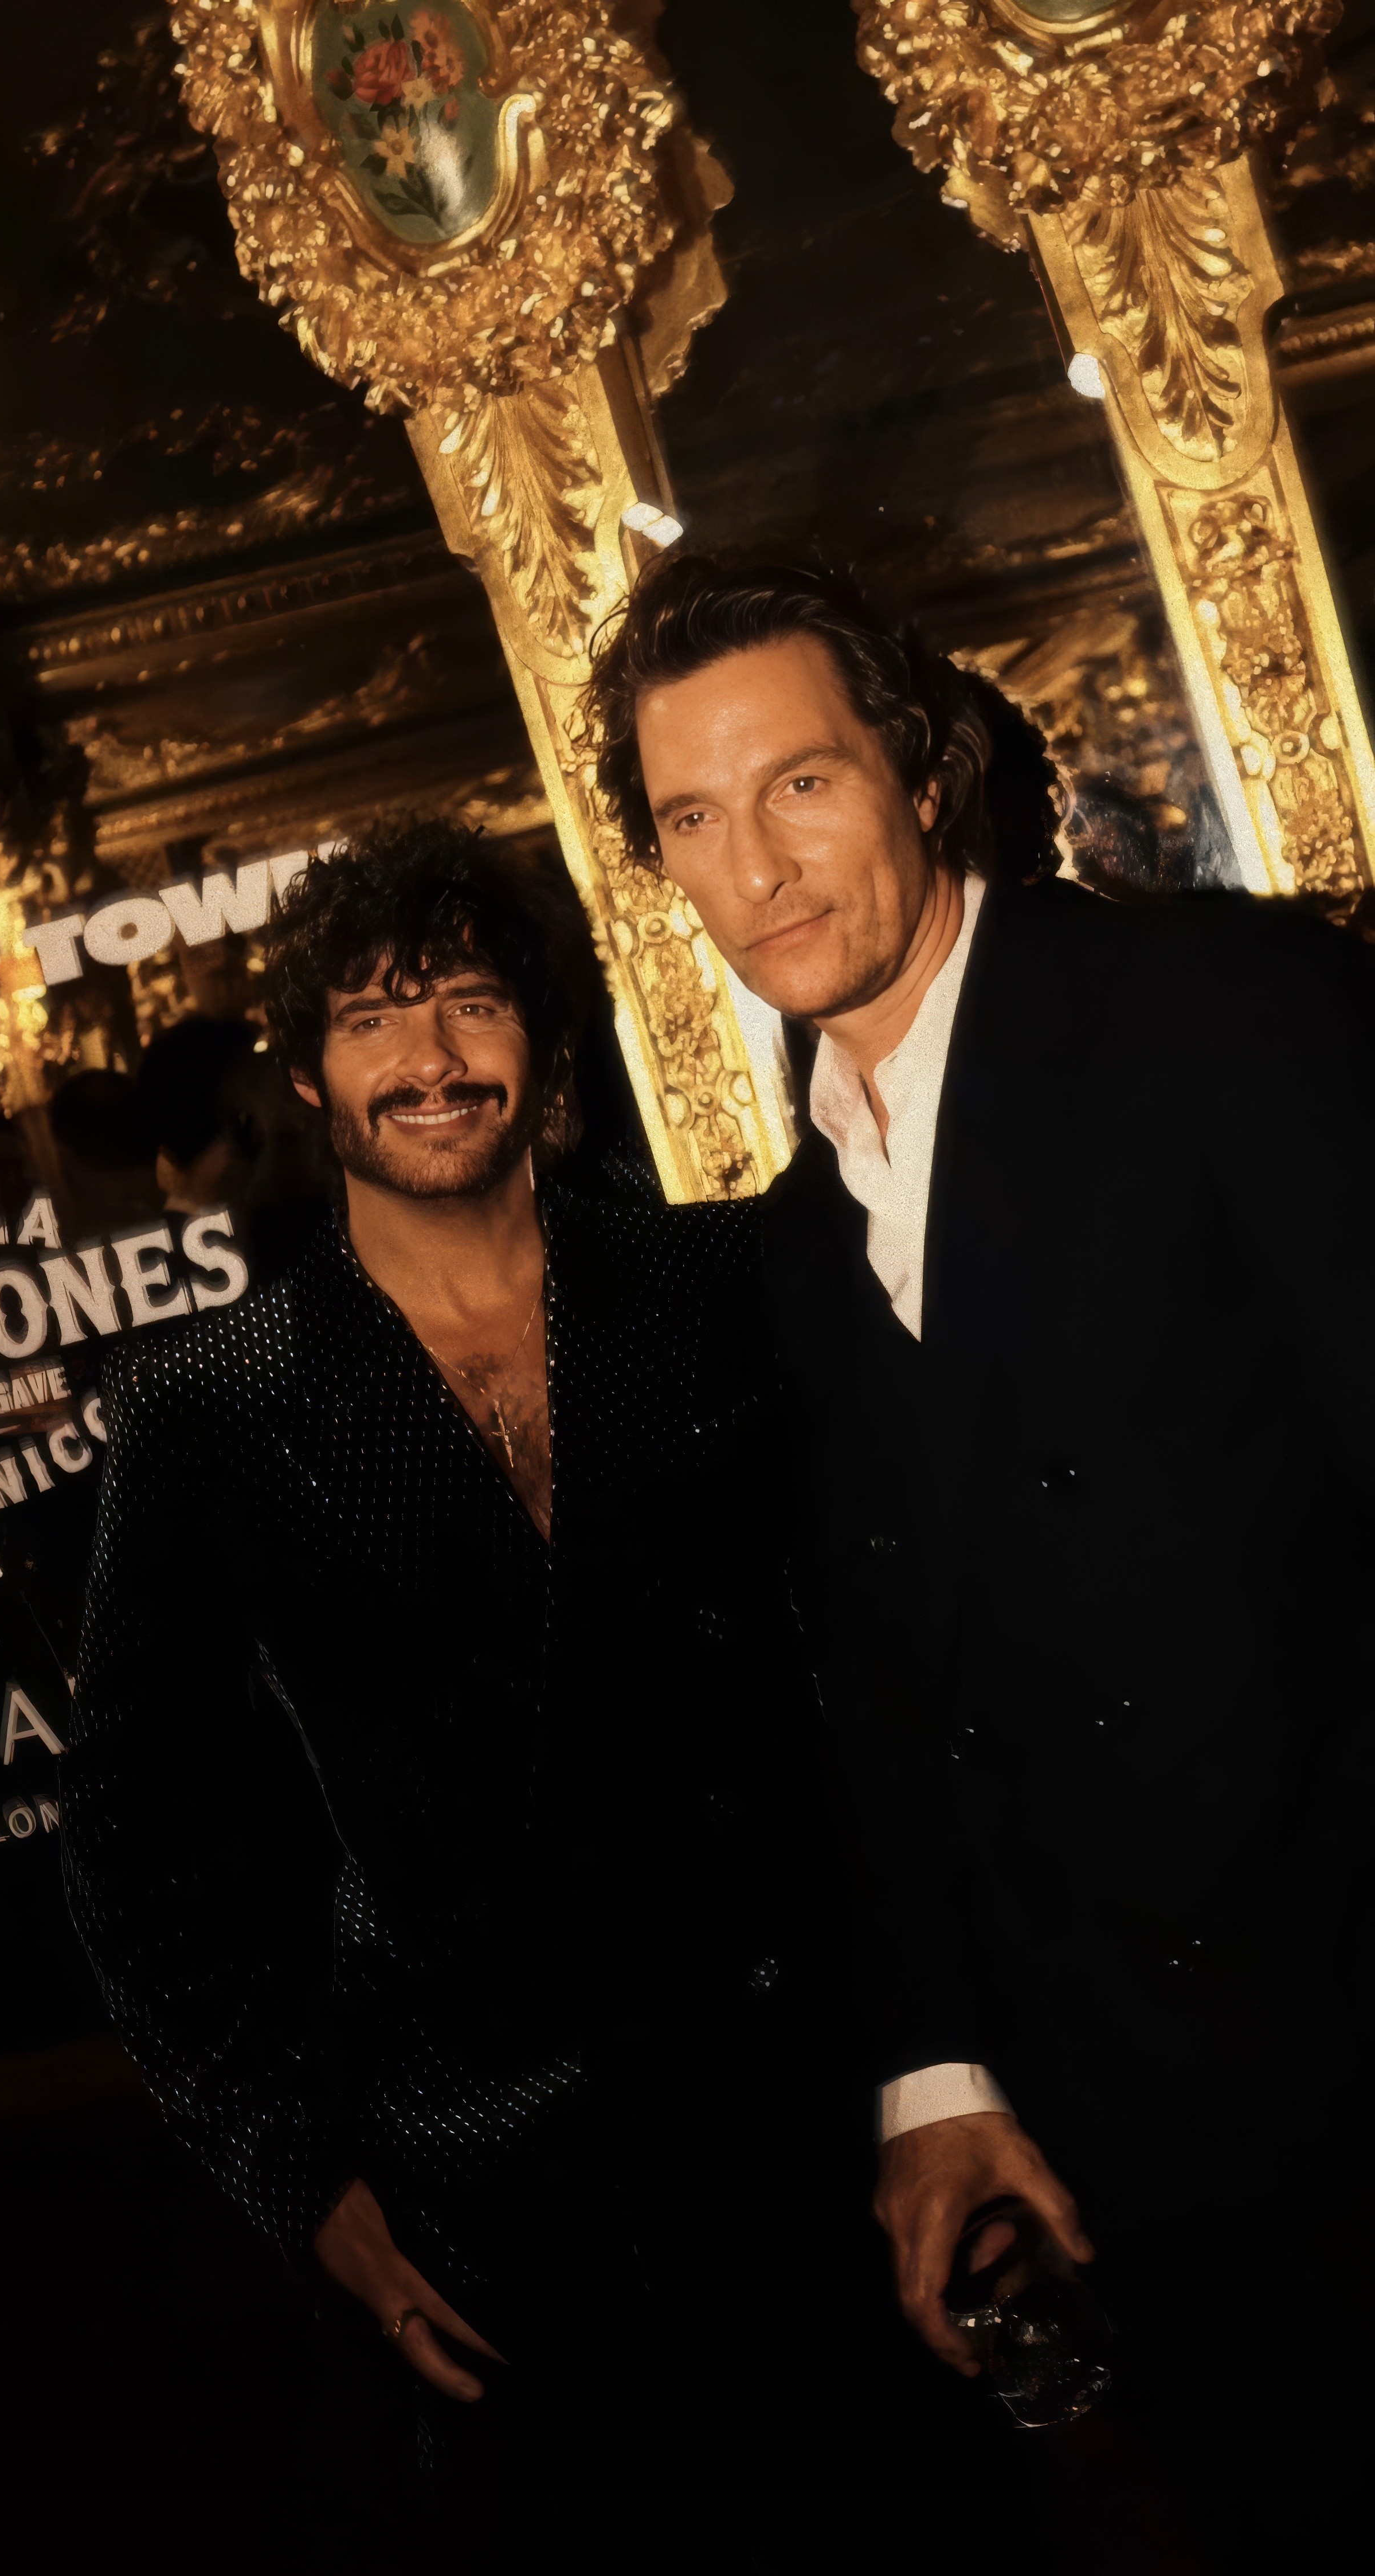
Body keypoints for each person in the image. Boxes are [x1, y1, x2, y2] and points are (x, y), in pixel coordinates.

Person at [585, 552, 1375, 2566]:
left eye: (799, 786)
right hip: (1132, 2150)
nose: (752, 868)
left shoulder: (1216, 1008)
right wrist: (934, 2075)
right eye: (691, 816)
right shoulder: (776, 1252)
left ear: (919, 776)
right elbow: (878, 1703)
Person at [62, 821, 879, 2571]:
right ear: (306, 1071)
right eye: (374, 1018)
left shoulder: (718, 1295)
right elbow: (140, 1856)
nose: (429, 1060)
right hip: (487, 2205)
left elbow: (883, 1682)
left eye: (467, 1005)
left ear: (546, 1040)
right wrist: (305, 2186)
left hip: (813, 2129)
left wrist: (943, 2059)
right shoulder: (208, 1410)